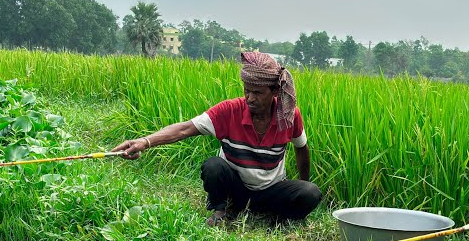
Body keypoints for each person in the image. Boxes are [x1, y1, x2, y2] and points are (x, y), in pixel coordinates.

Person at [112, 52, 322, 227]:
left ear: (275, 91)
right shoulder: (230, 110)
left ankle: (278, 217)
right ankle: (221, 209)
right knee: (213, 165)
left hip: (271, 190)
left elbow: (302, 148)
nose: (250, 98)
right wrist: (144, 141)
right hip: (236, 188)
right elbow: (185, 128)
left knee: (310, 193)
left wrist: (303, 181)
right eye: (247, 90)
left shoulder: (288, 116)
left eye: (257, 93)